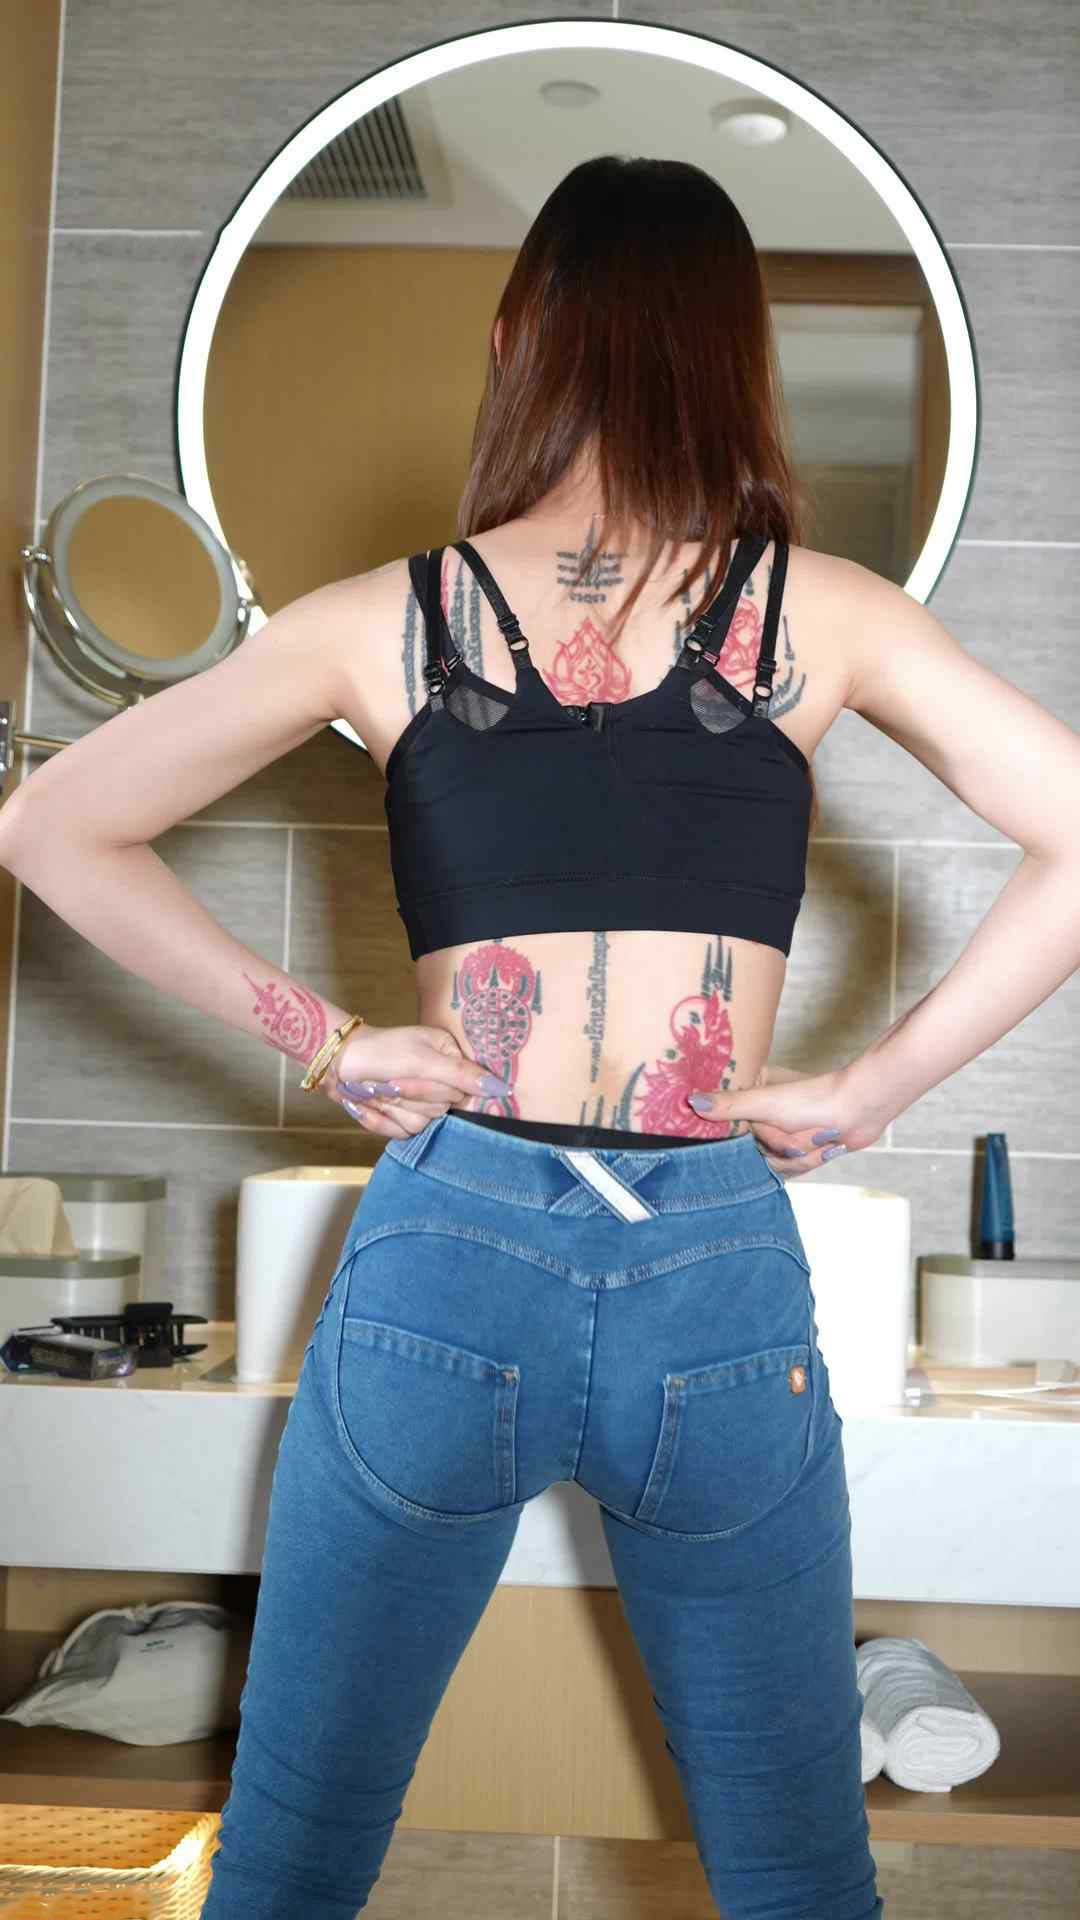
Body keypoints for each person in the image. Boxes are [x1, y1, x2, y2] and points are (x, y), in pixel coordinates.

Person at [2, 157, 1079, 1920]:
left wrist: (327, 1039)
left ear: (517, 343)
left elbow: (50, 825)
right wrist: (875, 1086)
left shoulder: (380, 620)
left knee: (290, 1868)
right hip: (711, 1263)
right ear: (737, 356)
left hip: (451, 1255)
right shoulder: (827, 614)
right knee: (802, 1879)